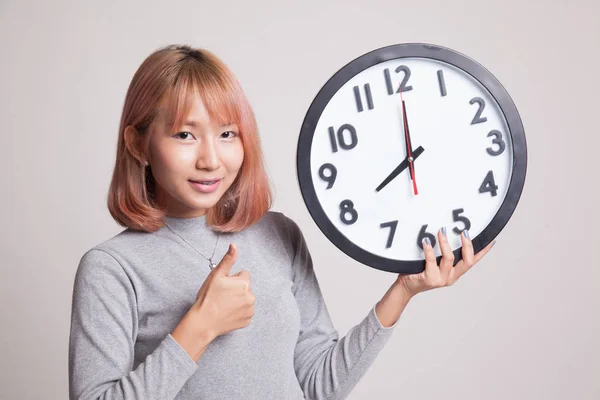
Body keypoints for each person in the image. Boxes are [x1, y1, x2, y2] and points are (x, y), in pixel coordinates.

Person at [68, 44, 495, 400]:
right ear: (138, 143)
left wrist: (404, 290)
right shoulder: (111, 268)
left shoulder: (278, 234)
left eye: (227, 134)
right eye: (185, 134)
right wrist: (198, 328)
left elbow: (318, 384)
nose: (210, 159)